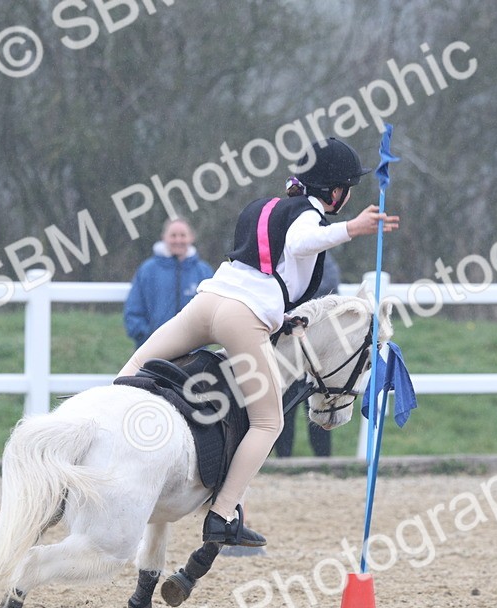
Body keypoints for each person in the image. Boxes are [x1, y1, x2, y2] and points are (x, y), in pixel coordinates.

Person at [117, 138, 399, 547]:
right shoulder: (308, 213)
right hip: (240, 318)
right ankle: (222, 515)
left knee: (129, 373)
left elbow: (270, 266)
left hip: (206, 304)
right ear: (335, 191)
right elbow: (302, 243)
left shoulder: (261, 207)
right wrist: (352, 229)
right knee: (269, 422)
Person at [274, 252, 340, 458]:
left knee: (320, 405)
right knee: (284, 409)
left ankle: (323, 461)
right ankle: (283, 461)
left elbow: (328, 293)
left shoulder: (323, 259)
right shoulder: (282, 257)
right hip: (286, 349)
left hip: (317, 349)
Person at [123, 219, 214, 348]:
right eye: (173, 235)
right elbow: (133, 310)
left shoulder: (203, 272)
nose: (178, 240)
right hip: (152, 352)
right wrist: (147, 337)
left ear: (191, 237)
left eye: (182, 235)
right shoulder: (147, 270)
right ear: (164, 237)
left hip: (194, 353)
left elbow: (212, 312)